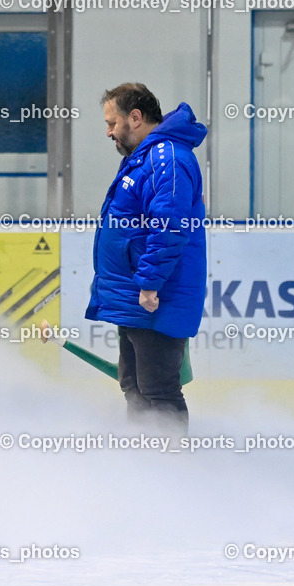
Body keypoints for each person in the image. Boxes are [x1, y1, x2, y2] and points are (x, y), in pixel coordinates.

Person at [86, 83, 208, 429]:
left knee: (158, 389)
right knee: (134, 386)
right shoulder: (145, 159)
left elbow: (169, 225)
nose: (109, 132)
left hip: (155, 300)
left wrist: (150, 283)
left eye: (112, 123)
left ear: (135, 118)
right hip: (136, 299)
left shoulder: (167, 158)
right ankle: (142, 466)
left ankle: (171, 470)